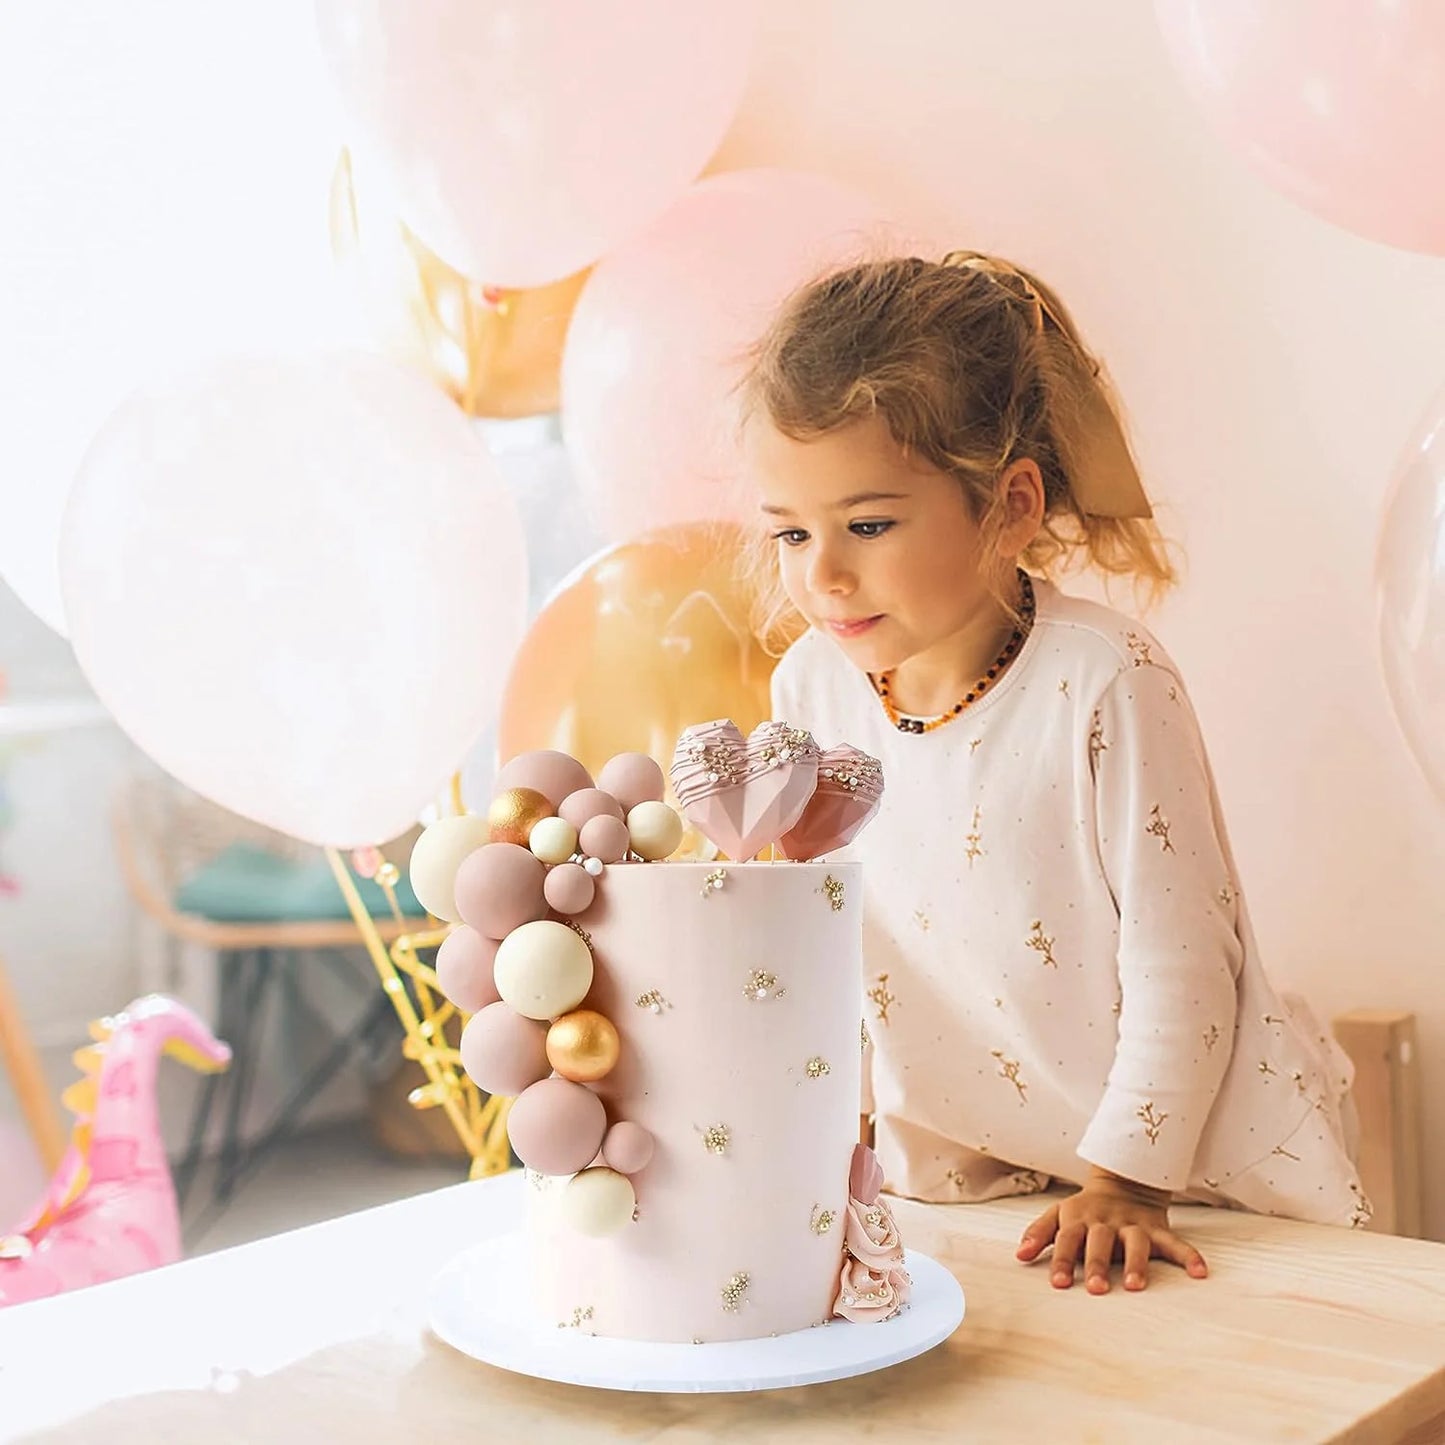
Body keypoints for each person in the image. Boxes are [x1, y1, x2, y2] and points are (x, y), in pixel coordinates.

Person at [746, 251, 1369, 1296]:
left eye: (865, 524)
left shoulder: (1104, 681)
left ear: (1010, 504)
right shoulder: (811, 689)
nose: (821, 573)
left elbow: (1182, 963)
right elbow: (829, 946)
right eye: (789, 532)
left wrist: (1126, 1180)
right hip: (981, 1188)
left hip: (1188, 1180)